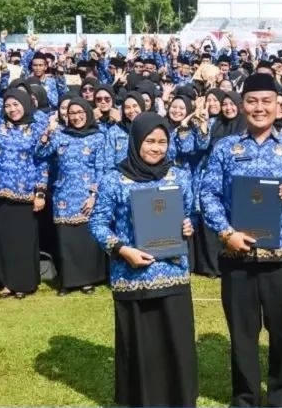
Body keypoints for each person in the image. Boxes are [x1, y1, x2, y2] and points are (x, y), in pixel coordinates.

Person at [199, 73, 282, 407]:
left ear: (279, 106)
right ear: (241, 104)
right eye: (252, 101)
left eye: (266, 101)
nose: (259, 108)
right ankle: (246, 397)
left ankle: (281, 396)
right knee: (242, 335)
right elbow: (208, 195)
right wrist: (226, 233)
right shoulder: (225, 149)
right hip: (238, 258)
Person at [88, 112, 198, 407]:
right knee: (141, 348)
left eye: (162, 142)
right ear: (136, 141)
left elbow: (190, 214)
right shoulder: (114, 178)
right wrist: (123, 250)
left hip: (173, 274)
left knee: (177, 344)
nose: (156, 148)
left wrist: (189, 226)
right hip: (132, 277)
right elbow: (97, 223)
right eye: (150, 141)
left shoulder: (179, 176)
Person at [0, 89, 49, 299]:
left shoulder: (36, 127)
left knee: (22, 240)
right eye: (8, 105)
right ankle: (6, 283)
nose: (12, 109)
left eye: (16, 104)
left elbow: (42, 161)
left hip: (24, 193)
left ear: (25, 103)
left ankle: (23, 282)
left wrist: (40, 192)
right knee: (2, 239)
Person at [35, 98, 111, 296]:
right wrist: (48, 132)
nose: (76, 117)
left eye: (80, 113)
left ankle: (87, 280)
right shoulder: (60, 136)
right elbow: (40, 153)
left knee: (85, 239)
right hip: (63, 195)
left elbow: (102, 168)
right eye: (72, 113)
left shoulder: (98, 137)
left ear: (87, 113)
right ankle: (68, 281)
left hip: (87, 195)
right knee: (66, 239)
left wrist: (94, 195)